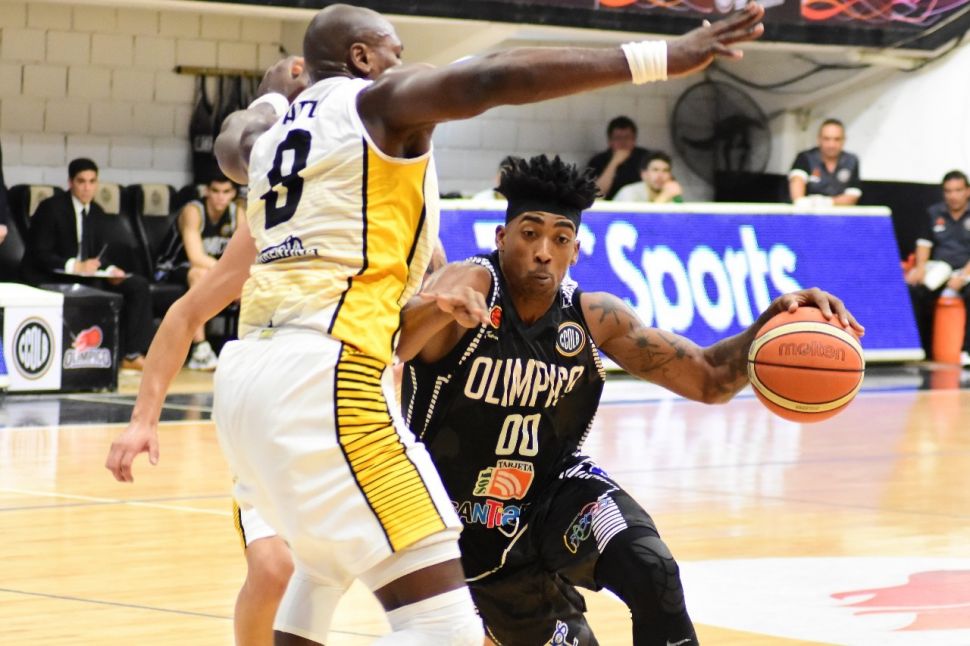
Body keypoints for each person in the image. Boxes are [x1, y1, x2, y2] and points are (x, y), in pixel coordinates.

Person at [105, 3, 768, 644]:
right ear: (361, 59)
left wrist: (276, 96)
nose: (403, 65)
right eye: (393, 52)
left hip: (246, 380)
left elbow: (231, 141)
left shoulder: (271, 139)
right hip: (327, 373)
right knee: (445, 628)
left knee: (319, 566)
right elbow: (492, 76)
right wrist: (660, 58)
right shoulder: (376, 106)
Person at [396, 154, 863, 645]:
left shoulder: (593, 315)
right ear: (501, 237)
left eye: (560, 239)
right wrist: (437, 307)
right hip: (461, 522)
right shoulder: (470, 284)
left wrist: (768, 326)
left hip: (554, 491)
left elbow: (709, 379)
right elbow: (401, 343)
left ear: (576, 251)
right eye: (529, 233)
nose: (543, 252)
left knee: (651, 568)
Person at [22, 158, 153, 370]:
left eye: (92, 182)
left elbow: (100, 255)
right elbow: (39, 254)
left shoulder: (97, 212)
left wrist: (111, 270)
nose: (87, 188)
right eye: (81, 181)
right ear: (70, 182)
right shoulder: (51, 208)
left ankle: (131, 353)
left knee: (137, 285)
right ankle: (88, 354)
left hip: (87, 276)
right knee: (96, 288)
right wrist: (75, 266)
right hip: (51, 274)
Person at [155, 174, 242, 370]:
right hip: (172, 268)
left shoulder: (237, 213)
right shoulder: (193, 211)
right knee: (199, 273)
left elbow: (242, 255)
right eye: (215, 191)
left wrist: (237, 278)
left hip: (214, 270)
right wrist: (228, 276)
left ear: (233, 194)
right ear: (207, 191)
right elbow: (195, 257)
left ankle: (248, 345)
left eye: (226, 192)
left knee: (250, 278)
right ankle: (199, 348)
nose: (220, 197)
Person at [904, 170, 970, 365]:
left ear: (967, 191)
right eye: (948, 191)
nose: (953, 196)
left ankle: (966, 350)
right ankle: (915, 347)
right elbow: (924, 244)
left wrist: (964, 276)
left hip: (966, 270)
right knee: (915, 290)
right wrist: (920, 268)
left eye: (958, 190)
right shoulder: (934, 213)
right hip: (941, 269)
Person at [788, 118, 862, 206]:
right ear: (819, 139)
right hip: (808, 212)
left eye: (837, 139)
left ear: (844, 140)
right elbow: (797, 188)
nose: (831, 145)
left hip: (838, 213)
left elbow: (852, 197)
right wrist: (804, 203)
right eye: (827, 139)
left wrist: (826, 202)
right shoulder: (805, 158)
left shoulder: (851, 160)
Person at [586, 116, 651, 200]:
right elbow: (596, 194)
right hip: (608, 206)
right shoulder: (598, 161)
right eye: (618, 138)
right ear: (610, 141)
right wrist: (614, 162)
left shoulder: (646, 158)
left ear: (634, 140)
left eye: (627, 137)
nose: (623, 142)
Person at [613, 151, 684, 203]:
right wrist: (664, 197)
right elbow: (637, 219)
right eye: (655, 170)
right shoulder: (628, 192)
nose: (660, 175)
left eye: (665, 171)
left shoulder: (671, 195)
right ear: (643, 174)